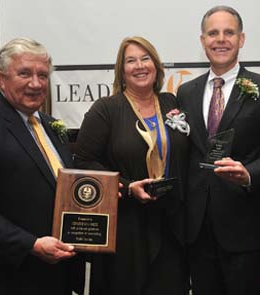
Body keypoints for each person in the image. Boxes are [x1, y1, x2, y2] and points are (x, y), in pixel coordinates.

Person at [176, 5, 260, 295]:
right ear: (202, 40)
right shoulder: (186, 92)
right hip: (197, 229)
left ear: (241, 39)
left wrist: (249, 174)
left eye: (229, 32)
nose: (221, 39)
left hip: (243, 228)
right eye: (213, 33)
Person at [0, 37, 84, 295]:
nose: (36, 83)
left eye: (43, 75)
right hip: (8, 278)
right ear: (0, 77)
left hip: (56, 276)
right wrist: (30, 244)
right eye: (24, 73)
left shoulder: (53, 127)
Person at [74, 36, 190, 295]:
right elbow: (82, 161)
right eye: (131, 60)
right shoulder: (106, 109)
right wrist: (127, 187)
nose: (139, 65)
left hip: (171, 224)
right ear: (122, 70)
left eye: (145, 58)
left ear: (156, 66)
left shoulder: (171, 103)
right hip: (126, 226)